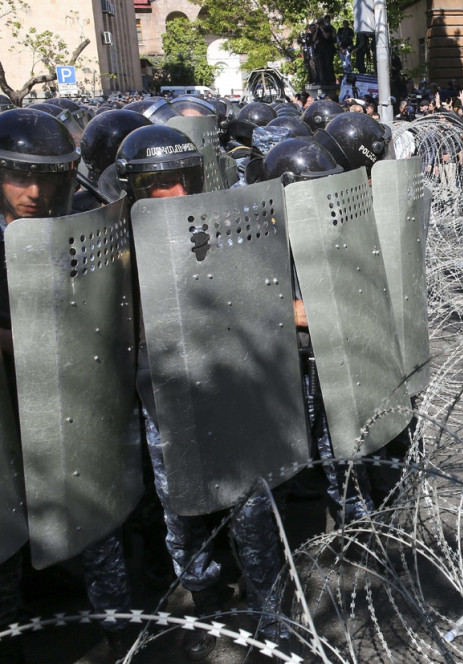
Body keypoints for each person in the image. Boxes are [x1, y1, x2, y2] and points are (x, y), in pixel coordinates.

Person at [117, 124, 288, 661]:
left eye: (182, 179)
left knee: (252, 514)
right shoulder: (116, 251)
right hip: (165, 405)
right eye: (158, 183)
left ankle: (271, 618)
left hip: (230, 391)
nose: (176, 195)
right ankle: (209, 604)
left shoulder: (222, 227)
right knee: (184, 518)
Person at [0, 107, 135, 662]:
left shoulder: (81, 226)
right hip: (9, 415)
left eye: (48, 177)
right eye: (19, 175)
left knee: (91, 521)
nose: (33, 191)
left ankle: (124, 634)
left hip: (72, 404)